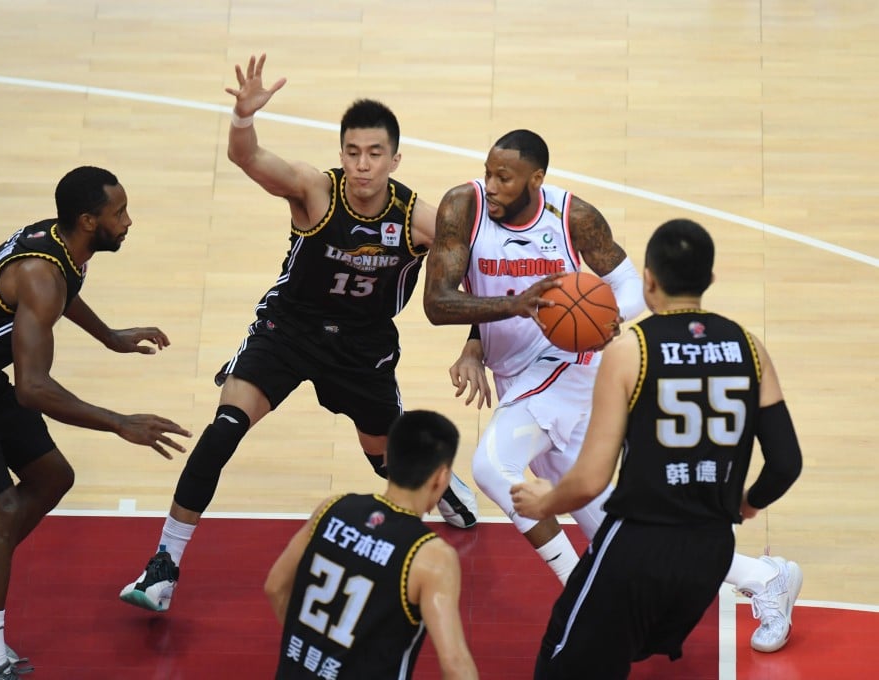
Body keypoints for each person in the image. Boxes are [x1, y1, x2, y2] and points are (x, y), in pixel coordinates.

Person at [119, 53, 478, 613]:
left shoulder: (418, 218)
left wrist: (474, 344)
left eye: (375, 154)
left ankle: (441, 484)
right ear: (341, 154)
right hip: (287, 331)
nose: (363, 165)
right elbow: (249, 158)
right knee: (224, 428)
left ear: (395, 158)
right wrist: (243, 118)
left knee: (383, 459)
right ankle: (163, 564)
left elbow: (478, 268)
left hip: (363, 349)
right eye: (353, 152)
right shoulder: (315, 190)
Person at [0, 166, 192, 680]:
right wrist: (120, 422)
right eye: (120, 213)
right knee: (1, 511)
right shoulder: (41, 272)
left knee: (52, 476)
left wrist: (109, 336)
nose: (129, 220)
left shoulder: (65, 244)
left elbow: (58, 296)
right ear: (89, 220)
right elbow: (33, 388)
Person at [510, 218, 803, 678]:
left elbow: (591, 480)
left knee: (563, 660)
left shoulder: (632, 349)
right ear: (708, 280)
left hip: (638, 547)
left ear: (648, 281)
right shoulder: (750, 347)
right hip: (710, 552)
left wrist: (542, 500)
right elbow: (786, 463)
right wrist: (747, 503)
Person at [422, 128, 648, 585]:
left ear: (536, 178)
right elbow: (436, 303)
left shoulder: (572, 216)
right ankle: (766, 578)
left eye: (504, 178)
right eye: (488, 173)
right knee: (615, 532)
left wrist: (600, 323)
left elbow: (632, 285)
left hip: (567, 362)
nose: (491, 185)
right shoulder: (463, 207)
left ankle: (576, 587)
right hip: (517, 375)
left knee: (491, 465)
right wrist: (479, 339)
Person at [265, 410, 479, 680]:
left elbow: (275, 587)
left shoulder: (331, 507)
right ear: (441, 477)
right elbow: (455, 664)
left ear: (387, 457)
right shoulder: (431, 556)